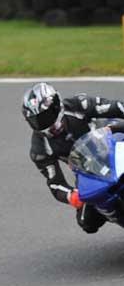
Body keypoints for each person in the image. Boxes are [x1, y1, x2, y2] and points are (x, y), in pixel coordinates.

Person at [22, 82, 124, 233]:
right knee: (86, 222)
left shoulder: (78, 105)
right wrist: (71, 196)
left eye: (45, 116)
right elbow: (55, 184)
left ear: (57, 107)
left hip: (115, 144)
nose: (42, 123)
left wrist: (112, 128)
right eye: (36, 120)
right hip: (90, 173)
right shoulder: (40, 149)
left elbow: (119, 107)